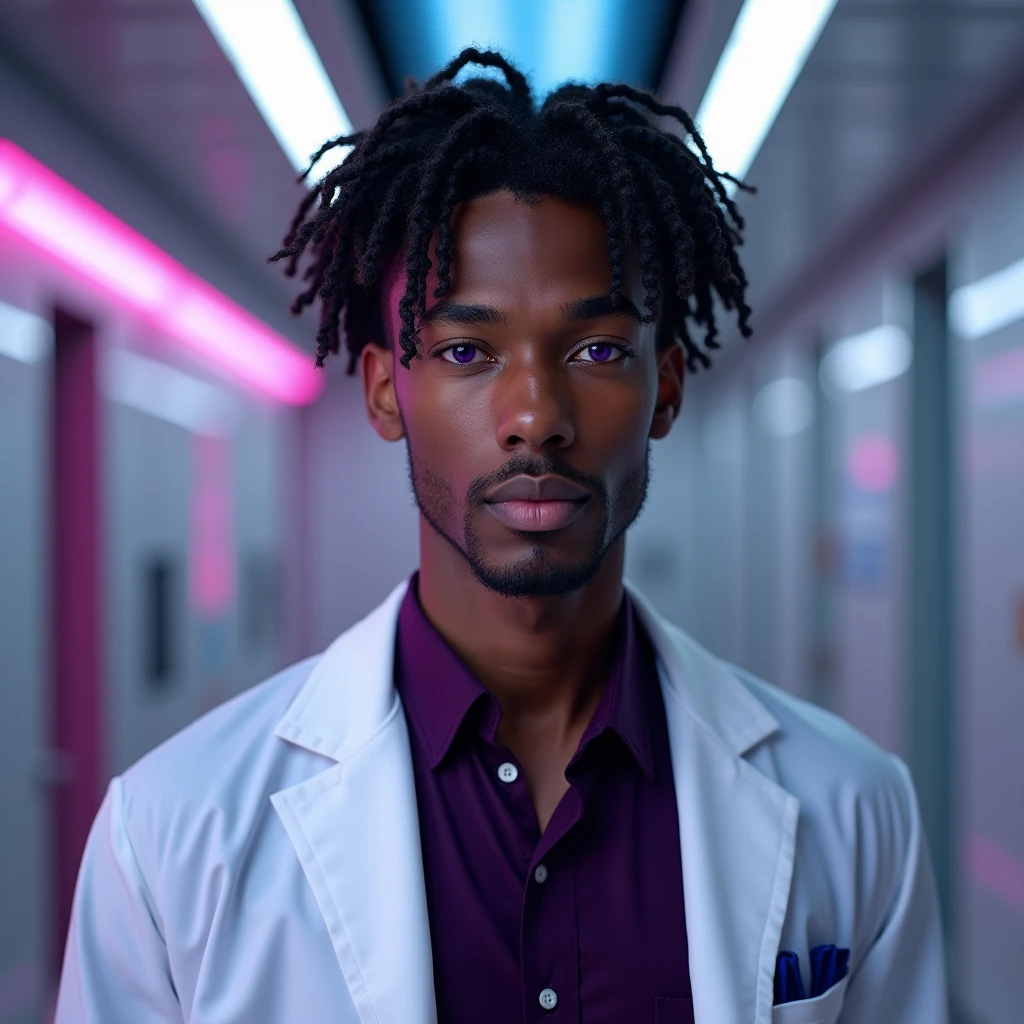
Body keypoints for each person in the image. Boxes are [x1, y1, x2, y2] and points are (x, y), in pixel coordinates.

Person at [56, 49, 948, 1024]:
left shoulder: (854, 807)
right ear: (386, 389)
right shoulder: (173, 833)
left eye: (597, 349)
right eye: (466, 350)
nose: (534, 414)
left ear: (667, 386)